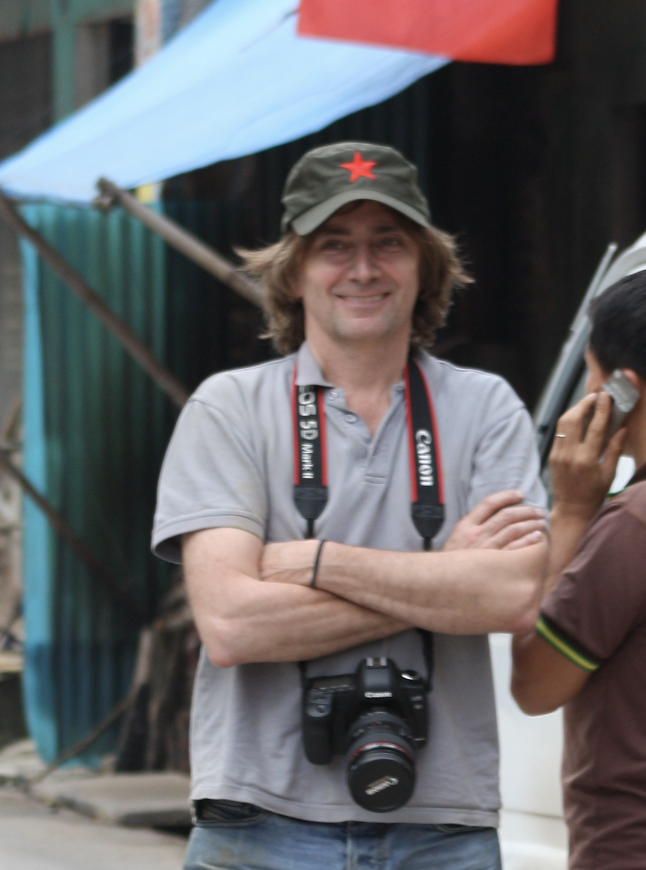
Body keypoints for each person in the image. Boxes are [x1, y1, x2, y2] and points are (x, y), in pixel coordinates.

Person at [152, 141, 548, 870]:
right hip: (260, 818)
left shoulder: (484, 406)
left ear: (425, 265)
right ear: (294, 269)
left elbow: (514, 595)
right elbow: (232, 625)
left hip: (444, 824)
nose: (363, 269)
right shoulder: (230, 408)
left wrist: (315, 563)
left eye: (388, 244)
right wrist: (445, 580)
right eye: (335, 245)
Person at [511, 265, 646, 870]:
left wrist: (572, 512)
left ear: (623, 388)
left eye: (592, 375)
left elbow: (535, 686)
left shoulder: (642, 522)